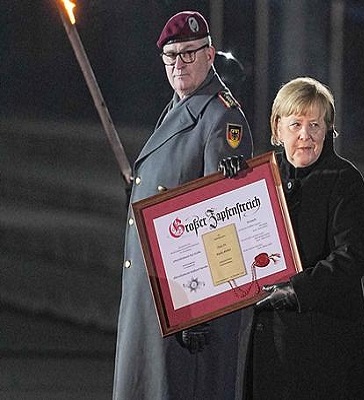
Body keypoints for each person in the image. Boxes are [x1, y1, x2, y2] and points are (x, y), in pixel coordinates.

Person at [112, 11, 253, 400]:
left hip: (184, 301)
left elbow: (223, 224)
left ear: (210, 55)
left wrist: (203, 309)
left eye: (189, 53)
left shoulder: (221, 117)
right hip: (157, 293)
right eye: (171, 56)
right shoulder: (181, 105)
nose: (179, 64)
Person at [221, 77, 364, 399]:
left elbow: (351, 257)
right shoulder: (259, 177)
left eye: (315, 125)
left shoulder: (344, 180)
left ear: (327, 129)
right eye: (296, 124)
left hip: (323, 349)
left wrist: (295, 290)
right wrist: (228, 188)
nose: (306, 135)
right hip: (268, 344)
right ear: (277, 129)